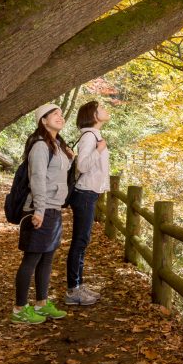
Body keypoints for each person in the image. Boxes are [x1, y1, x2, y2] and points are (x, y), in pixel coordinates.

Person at [11, 103, 71, 324]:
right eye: (54, 114)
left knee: (47, 258)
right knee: (32, 259)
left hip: (53, 208)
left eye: (61, 114)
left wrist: (70, 158)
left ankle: (42, 303)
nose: (59, 116)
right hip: (40, 209)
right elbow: (37, 179)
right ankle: (19, 309)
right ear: (43, 120)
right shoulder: (39, 146)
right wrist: (39, 210)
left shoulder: (57, 145)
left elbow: (57, 174)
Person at [64, 100, 111, 306]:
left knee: (83, 242)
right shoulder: (90, 137)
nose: (105, 110)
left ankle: (78, 285)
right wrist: (99, 150)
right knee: (80, 242)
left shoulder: (94, 136)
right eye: (100, 108)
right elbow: (82, 165)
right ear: (93, 115)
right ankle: (73, 290)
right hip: (84, 193)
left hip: (89, 193)